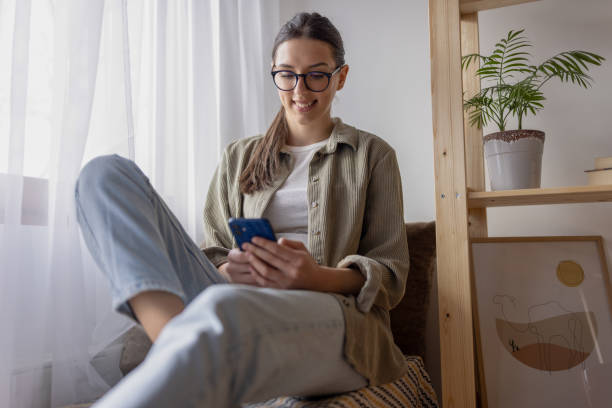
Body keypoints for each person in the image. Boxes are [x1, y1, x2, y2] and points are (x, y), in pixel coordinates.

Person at [75, 11, 410, 408]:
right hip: (232, 297)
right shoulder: (239, 157)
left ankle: (188, 347)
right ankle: (176, 341)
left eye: (317, 74)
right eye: (287, 74)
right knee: (103, 175)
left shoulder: (372, 155)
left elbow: (389, 275)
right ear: (274, 73)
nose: (300, 89)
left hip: (336, 319)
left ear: (341, 76)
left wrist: (315, 276)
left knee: (224, 306)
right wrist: (225, 270)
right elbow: (214, 250)